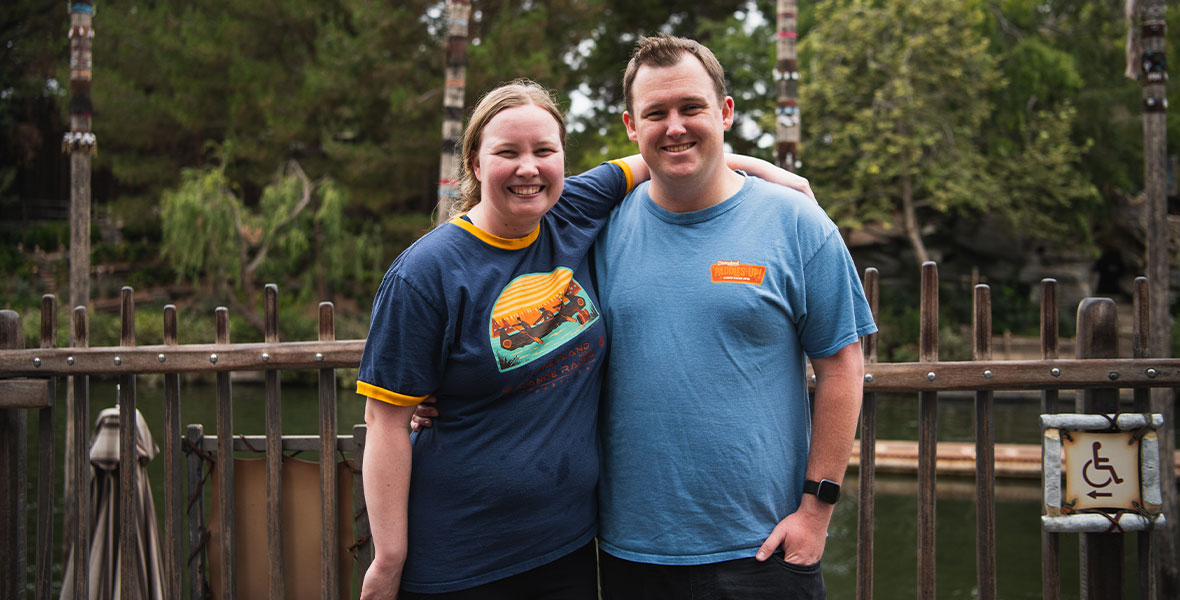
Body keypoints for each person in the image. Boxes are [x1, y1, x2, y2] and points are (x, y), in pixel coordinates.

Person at [357, 79, 811, 599]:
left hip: (567, 547)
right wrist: (388, 562)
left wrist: (766, 172)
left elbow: (661, 156)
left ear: (562, 161)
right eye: (507, 152)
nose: (529, 168)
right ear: (477, 165)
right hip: (463, 554)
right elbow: (385, 422)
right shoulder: (426, 273)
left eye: (544, 151)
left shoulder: (571, 210)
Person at [592, 35, 876, 599]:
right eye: (656, 113)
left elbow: (843, 368)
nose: (675, 126)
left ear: (724, 111)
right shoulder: (598, 229)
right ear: (631, 125)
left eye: (691, 108)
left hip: (764, 550)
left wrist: (816, 512)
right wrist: (445, 392)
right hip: (628, 550)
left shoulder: (798, 224)